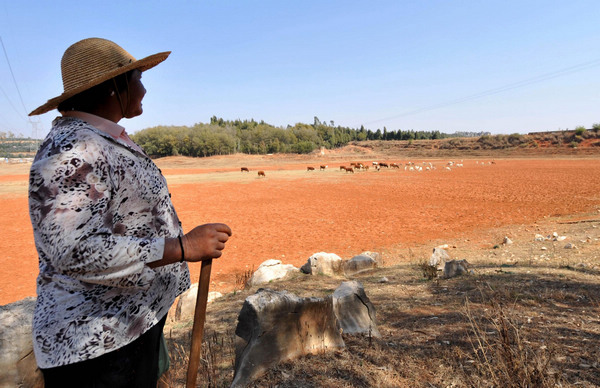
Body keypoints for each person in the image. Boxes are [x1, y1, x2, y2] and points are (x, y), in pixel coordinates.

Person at [27, 37, 232, 387]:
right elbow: (73, 250)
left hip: (127, 327)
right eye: (137, 77)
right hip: (96, 346)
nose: (144, 88)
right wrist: (181, 247)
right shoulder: (72, 150)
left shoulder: (101, 138)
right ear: (113, 88)